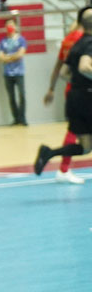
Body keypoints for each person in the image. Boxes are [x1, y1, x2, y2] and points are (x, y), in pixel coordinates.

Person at [43, 13, 89, 183]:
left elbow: (59, 69)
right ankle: (63, 168)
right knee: (76, 133)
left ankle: (63, 167)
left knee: (76, 131)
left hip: (72, 90)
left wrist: (51, 89)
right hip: (85, 91)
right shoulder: (83, 40)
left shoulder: (67, 40)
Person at [0, 20, 27, 125]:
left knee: (22, 95)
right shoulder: (3, 42)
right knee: (11, 97)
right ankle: (16, 118)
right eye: (8, 25)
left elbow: (20, 54)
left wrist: (8, 57)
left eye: (11, 25)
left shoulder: (21, 40)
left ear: (16, 27)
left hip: (19, 72)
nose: (10, 27)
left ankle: (22, 118)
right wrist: (12, 57)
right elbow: (1, 57)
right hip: (7, 73)